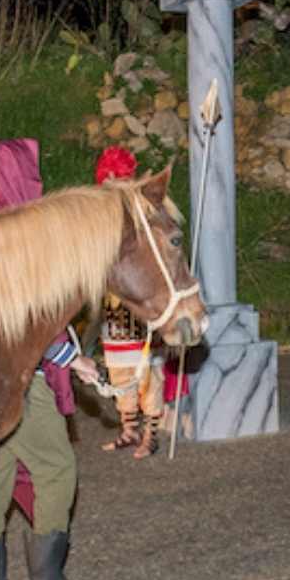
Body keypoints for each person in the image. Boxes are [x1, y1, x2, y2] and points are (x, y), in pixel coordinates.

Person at [0, 138, 100, 580]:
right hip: (18, 376)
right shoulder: (10, 238)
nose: (37, 188)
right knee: (56, 468)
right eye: (30, 178)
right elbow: (27, 317)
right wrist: (70, 358)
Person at [91, 145, 187, 458]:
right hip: (115, 313)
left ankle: (151, 435)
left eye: (116, 178)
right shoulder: (101, 216)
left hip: (142, 308)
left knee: (150, 377)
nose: (111, 185)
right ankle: (129, 429)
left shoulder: (143, 211)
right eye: (107, 179)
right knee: (120, 374)